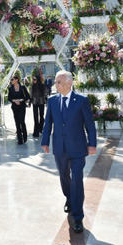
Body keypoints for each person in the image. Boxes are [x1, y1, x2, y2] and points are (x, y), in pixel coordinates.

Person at [41, 70, 97, 234]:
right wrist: (45, 142)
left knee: (77, 179)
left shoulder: (81, 101)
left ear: (69, 83)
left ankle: (78, 217)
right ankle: (69, 198)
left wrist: (92, 144)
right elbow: (47, 123)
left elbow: (90, 125)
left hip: (78, 147)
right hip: (59, 147)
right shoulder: (51, 101)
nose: (55, 85)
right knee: (64, 176)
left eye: (58, 82)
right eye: (56, 82)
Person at [8, 75, 30, 144]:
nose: (11, 81)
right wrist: (14, 100)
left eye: (12, 79)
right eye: (11, 80)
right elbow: (9, 98)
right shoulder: (10, 88)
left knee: (22, 121)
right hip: (14, 107)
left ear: (16, 80)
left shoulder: (22, 87)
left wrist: (21, 100)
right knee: (17, 122)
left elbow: (27, 96)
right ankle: (19, 139)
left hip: (22, 106)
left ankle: (25, 136)